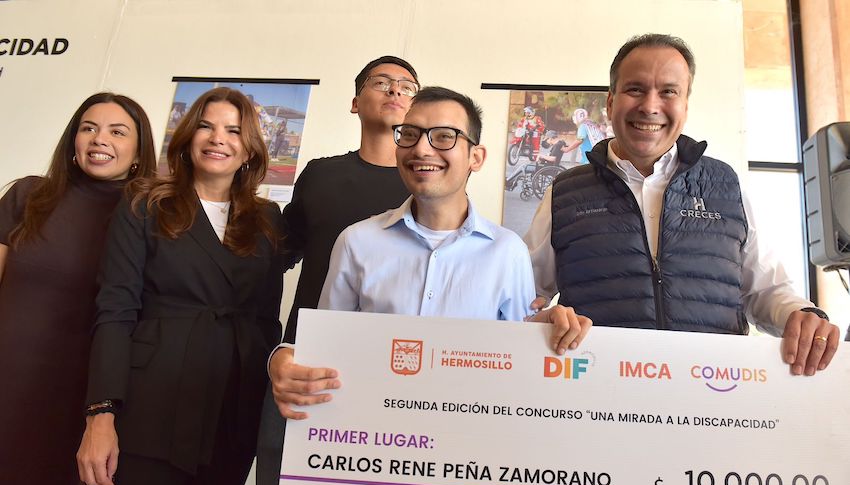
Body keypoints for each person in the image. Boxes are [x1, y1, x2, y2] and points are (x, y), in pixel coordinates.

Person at [524, 33, 840, 376]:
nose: (650, 106)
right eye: (635, 89)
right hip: (599, 389)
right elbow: (523, 297)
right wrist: (539, 321)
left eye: (668, 92)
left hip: (715, 390)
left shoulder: (725, 185)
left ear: (685, 106)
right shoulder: (565, 192)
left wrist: (802, 316)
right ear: (611, 103)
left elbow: (765, 291)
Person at [271, 86, 591, 417]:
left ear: (476, 157)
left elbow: (515, 360)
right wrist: (284, 357)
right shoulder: (356, 242)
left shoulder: (507, 252)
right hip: (370, 430)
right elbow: (327, 348)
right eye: (409, 135)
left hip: (465, 434)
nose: (421, 148)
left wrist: (546, 331)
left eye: (443, 137)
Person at [77, 87, 284, 485]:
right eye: (206, 126)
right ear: (188, 137)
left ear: (250, 148)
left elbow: (267, 322)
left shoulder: (267, 218)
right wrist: (100, 414)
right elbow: (115, 311)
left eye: (233, 130)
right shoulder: (144, 203)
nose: (218, 138)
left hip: (231, 412)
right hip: (147, 408)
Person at [254, 55, 419, 485]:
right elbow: (279, 254)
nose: (395, 90)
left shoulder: (428, 182)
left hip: (399, 375)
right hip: (302, 365)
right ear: (355, 101)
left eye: (407, 85)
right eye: (381, 82)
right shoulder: (321, 175)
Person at [0, 92, 156, 485]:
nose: (99, 139)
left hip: (72, 398)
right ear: (73, 140)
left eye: (116, 131)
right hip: (5, 377)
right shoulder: (28, 195)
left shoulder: (146, 218)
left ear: (138, 152)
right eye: (88, 128)